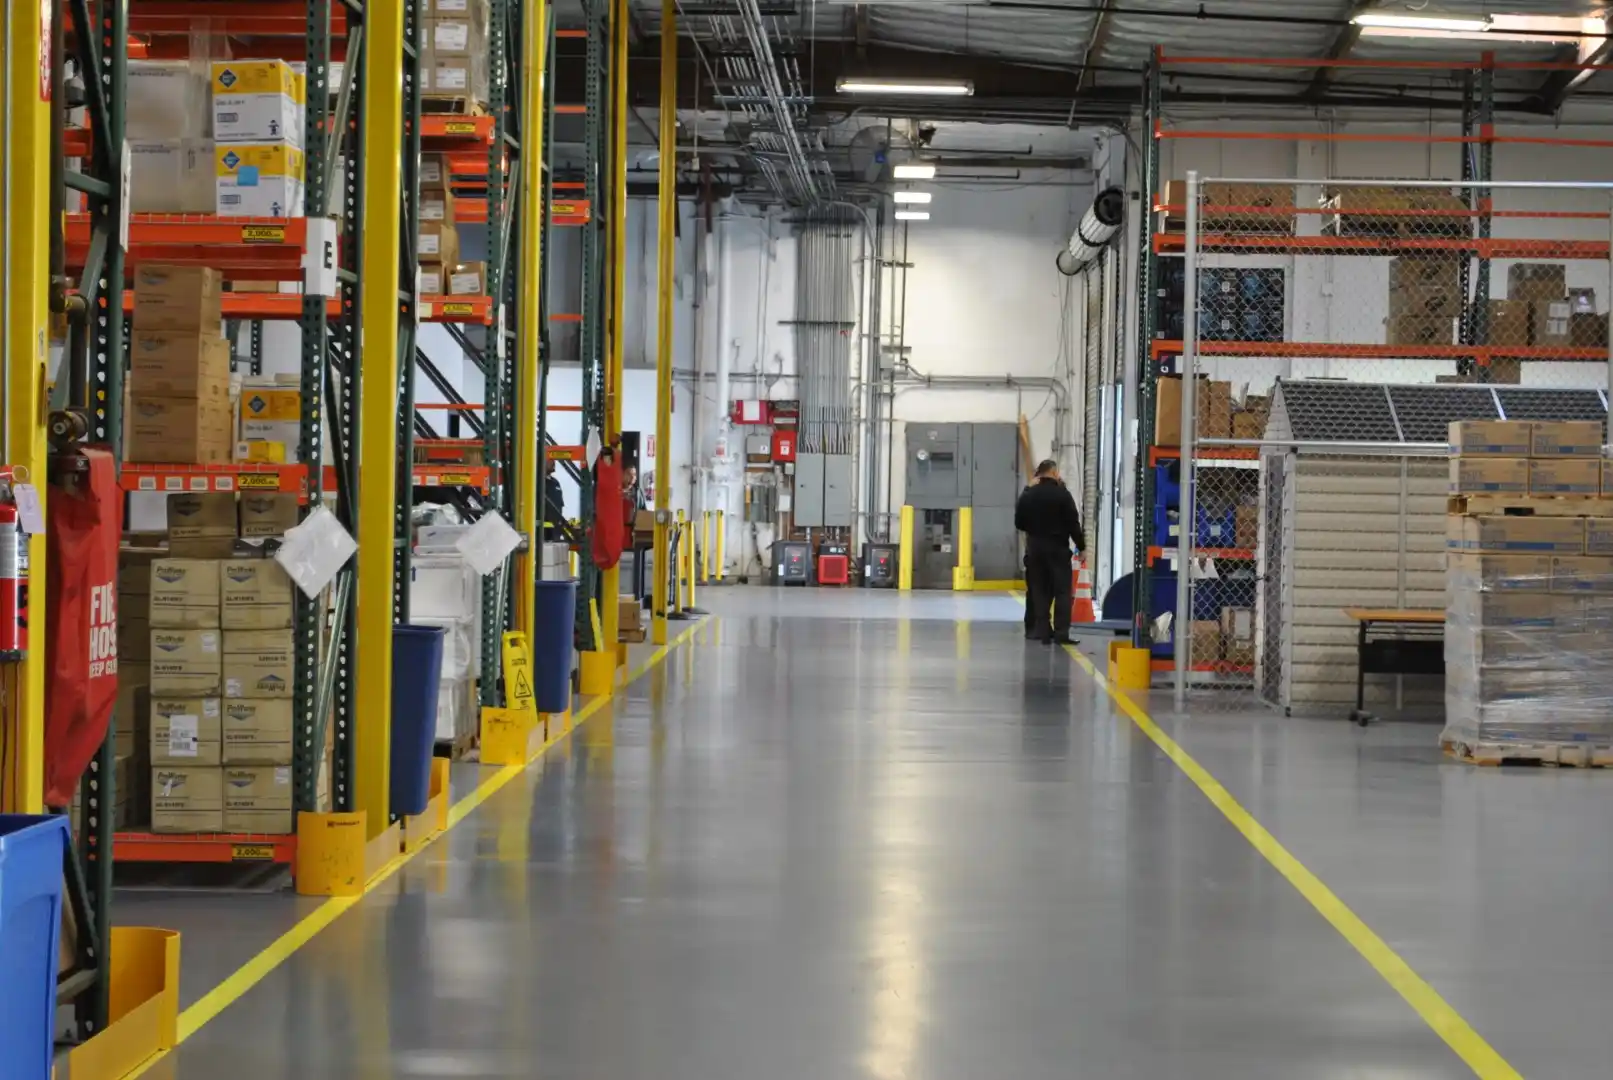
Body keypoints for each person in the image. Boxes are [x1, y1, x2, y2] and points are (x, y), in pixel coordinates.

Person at [1015, 459, 1086, 644]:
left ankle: (1041, 631)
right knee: (1062, 591)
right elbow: (1073, 523)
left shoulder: (1028, 495)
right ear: (1054, 472)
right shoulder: (1062, 494)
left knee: (1037, 590)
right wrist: (1081, 546)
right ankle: (1062, 634)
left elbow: (1019, 523)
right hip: (1058, 549)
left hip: (1035, 549)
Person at [543, 459, 565, 541]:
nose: (553, 462)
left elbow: (560, 505)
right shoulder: (535, 481)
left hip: (555, 530)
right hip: (542, 531)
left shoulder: (555, 482)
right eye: (550, 459)